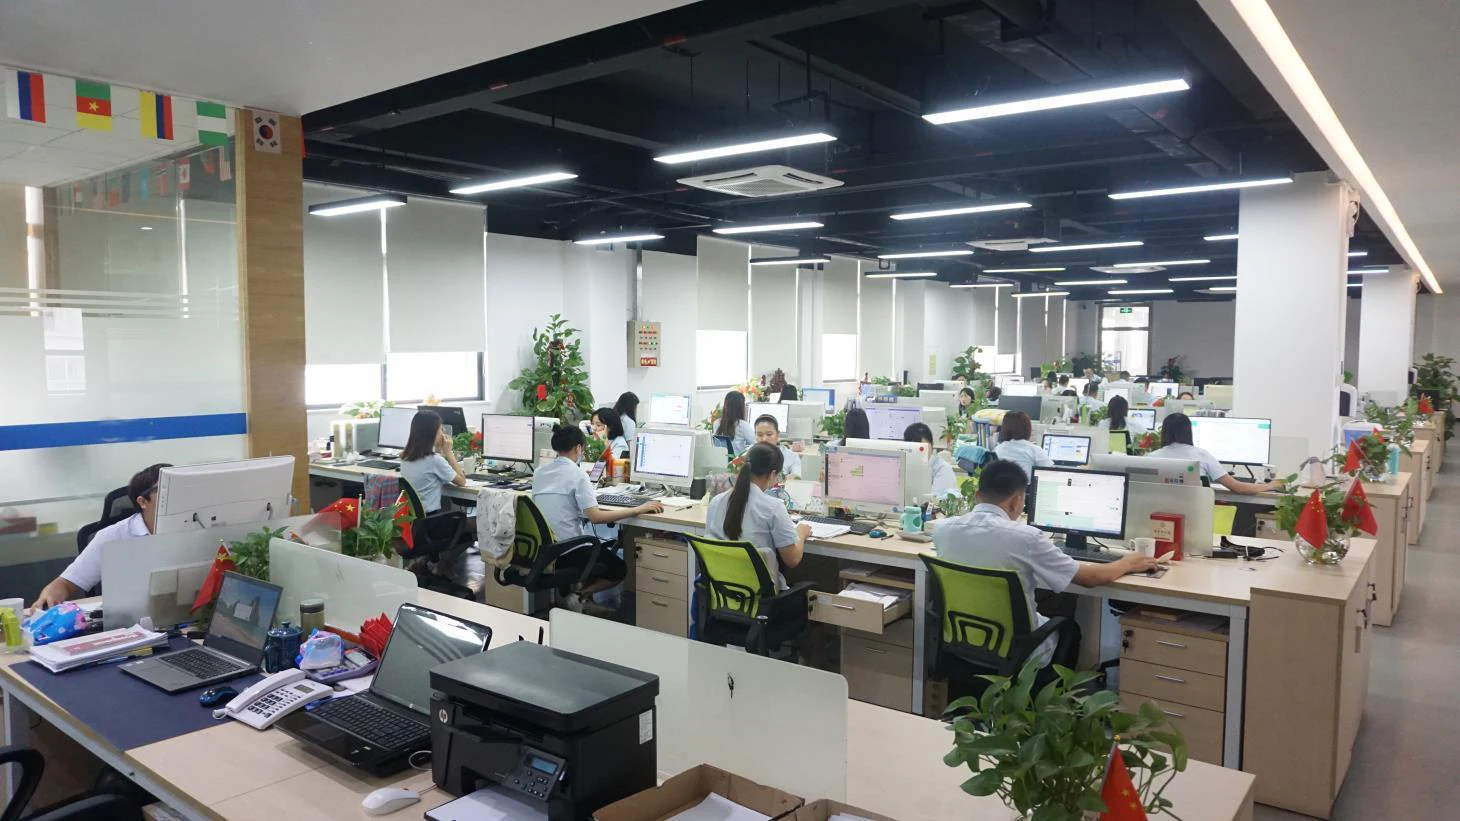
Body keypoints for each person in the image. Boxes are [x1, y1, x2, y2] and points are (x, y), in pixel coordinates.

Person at [933, 460, 1158, 668]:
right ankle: (1055, 697)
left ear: (977, 496)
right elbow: (1090, 579)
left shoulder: (943, 531)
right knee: (1069, 627)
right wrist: (1127, 563)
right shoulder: (1026, 538)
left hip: (962, 642)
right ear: (1017, 500)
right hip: (1017, 651)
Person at [531, 426, 664, 612]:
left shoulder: (539, 472)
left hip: (544, 551)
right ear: (578, 448)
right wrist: (636, 509)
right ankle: (578, 596)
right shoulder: (577, 475)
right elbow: (596, 517)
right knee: (618, 568)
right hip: (568, 552)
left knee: (598, 551)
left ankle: (580, 600)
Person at [33, 463, 170, 610]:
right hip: (134, 617)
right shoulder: (114, 536)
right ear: (143, 501)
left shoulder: (189, 528)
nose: (176, 494)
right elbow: (65, 584)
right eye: (165, 489)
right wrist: (49, 597)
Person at [705, 443, 808, 590]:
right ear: (772, 474)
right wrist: (801, 533)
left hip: (722, 593)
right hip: (760, 595)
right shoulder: (773, 507)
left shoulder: (716, 502)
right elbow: (792, 559)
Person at [1147, 413, 1283, 494]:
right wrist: (1269, 485)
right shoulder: (1201, 455)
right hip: (1196, 515)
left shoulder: (1151, 458)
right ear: (1188, 431)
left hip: (1156, 516)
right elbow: (1238, 488)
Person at [399, 410, 468, 514]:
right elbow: (462, 481)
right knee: (461, 516)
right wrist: (449, 452)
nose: (443, 433)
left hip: (412, 519)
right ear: (432, 433)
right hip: (430, 518)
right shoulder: (435, 460)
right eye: (441, 429)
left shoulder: (405, 457)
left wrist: (439, 451)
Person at [993, 411, 1052, 485]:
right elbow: (1051, 472)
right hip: (1026, 490)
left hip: (1003, 490)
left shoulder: (998, 449)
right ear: (1028, 428)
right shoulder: (1034, 450)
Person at [904, 422, 957, 496]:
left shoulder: (942, 469)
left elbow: (937, 499)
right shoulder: (904, 466)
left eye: (922, 447)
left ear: (932, 445)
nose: (919, 452)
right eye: (914, 448)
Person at [753, 415, 802, 479]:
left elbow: (797, 478)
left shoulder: (791, 456)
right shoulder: (747, 454)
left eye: (769, 434)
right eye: (760, 435)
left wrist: (786, 479)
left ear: (777, 434)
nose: (764, 439)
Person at [715, 390, 755, 455]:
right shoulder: (742, 425)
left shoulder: (716, 423)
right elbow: (756, 444)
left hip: (721, 459)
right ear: (740, 407)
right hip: (737, 460)